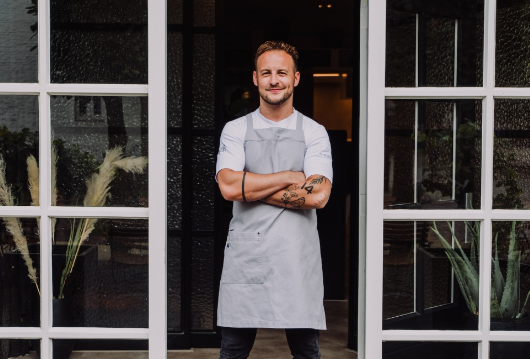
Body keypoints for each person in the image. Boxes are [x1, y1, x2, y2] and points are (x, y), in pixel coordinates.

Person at [215, 40, 333, 359]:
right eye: (266, 72)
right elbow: (227, 187)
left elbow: (319, 194)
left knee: (306, 352)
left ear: (295, 79)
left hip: (296, 258)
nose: (274, 80)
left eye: (282, 72)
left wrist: (250, 188)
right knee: (234, 350)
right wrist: (288, 177)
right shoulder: (236, 130)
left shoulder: (314, 132)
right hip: (247, 260)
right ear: (255, 78)